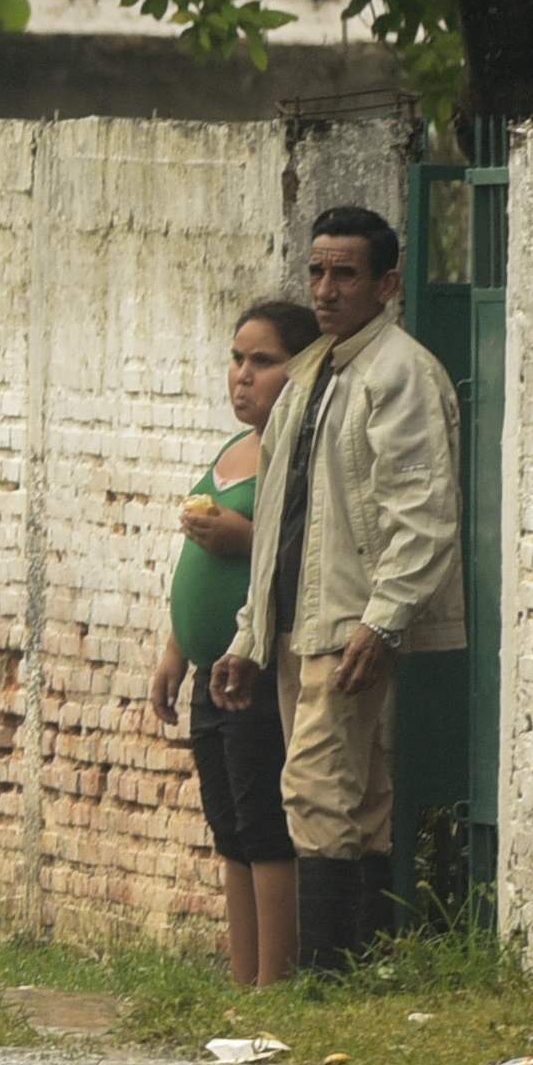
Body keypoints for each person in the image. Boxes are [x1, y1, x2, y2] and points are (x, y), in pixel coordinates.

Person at [213, 207, 465, 972]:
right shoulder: (313, 372)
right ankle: (358, 968)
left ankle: (326, 977)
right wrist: (250, 633)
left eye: (345, 273)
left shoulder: (400, 373)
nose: (325, 289)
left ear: (387, 283)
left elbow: (421, 513)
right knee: (353, 799)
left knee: (319, 791)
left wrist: (383, 623)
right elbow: (284, 516)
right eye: (317, 272)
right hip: (300, 619)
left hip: (349, 621)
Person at [149, 299, 313, 987]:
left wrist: (242, 540)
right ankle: (242, 979)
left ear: (299, 372)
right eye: (237, 359)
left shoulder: (297, 457)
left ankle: (273, 983)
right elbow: (196, 571)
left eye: (264, 362)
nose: (242, 377)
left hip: (255, 668)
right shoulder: (230, 451)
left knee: (265, 829)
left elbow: (305, 556)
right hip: (206, 672)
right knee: (229, 831)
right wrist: (173, 651)